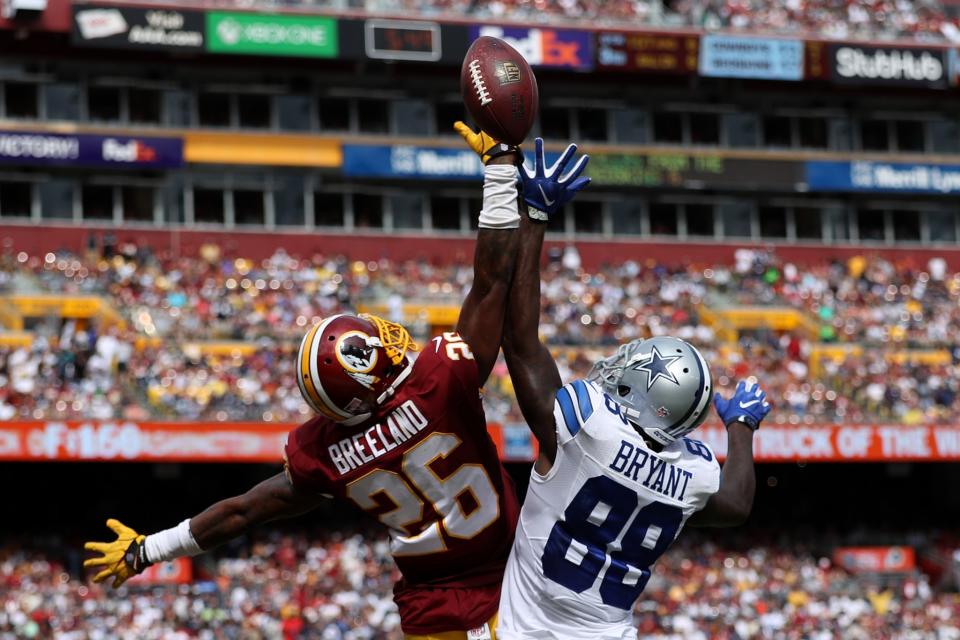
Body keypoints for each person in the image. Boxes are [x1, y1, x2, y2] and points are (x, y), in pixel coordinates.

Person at [83, 125, 585, 640]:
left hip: (429, 612)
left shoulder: (322, 452)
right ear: (370, 375)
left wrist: (149, 549)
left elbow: (241, 512)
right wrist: (504, 174)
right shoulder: (438, 380)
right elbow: (492, 284)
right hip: (516, 579)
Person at [495, 138, 773, 640]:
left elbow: (519, 342)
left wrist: (534, 216)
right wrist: (741, 428)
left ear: (648, 397)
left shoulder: (589, 427)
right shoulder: (695, 473)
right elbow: (735, 505)